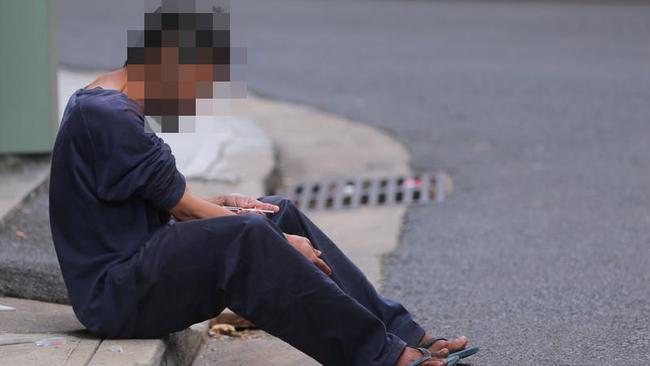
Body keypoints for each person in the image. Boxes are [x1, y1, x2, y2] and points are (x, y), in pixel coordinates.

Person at [48, 5, 472, 366]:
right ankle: (384, 356)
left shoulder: (109, 104)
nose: (195, 99)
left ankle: (400, 331)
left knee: (272, 211)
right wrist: (278, 242)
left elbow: (162, 205)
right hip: (117, 296)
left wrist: (235, 210)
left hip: (139, 268)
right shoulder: (107, 116)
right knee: (251, 233)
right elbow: (187, 211)